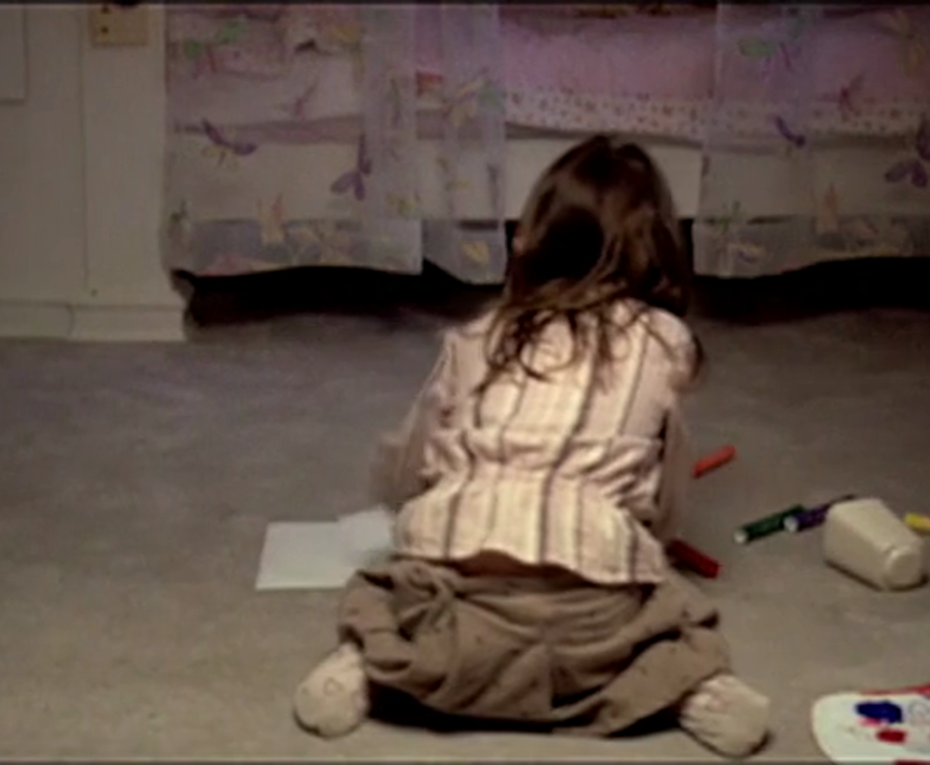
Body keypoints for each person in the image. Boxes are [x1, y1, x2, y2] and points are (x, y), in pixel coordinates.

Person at [291, 135, 771, 758]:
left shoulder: (479, 335)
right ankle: (693, 691)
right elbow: (668, 489)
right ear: (658, 251)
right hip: (589, 623)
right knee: (672, 610)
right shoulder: (665, 341)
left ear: (531, 240)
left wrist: (410, 505)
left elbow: (409, 463)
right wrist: (649, 539)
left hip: (452, 606)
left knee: (376, 591)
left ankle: (369, 669)